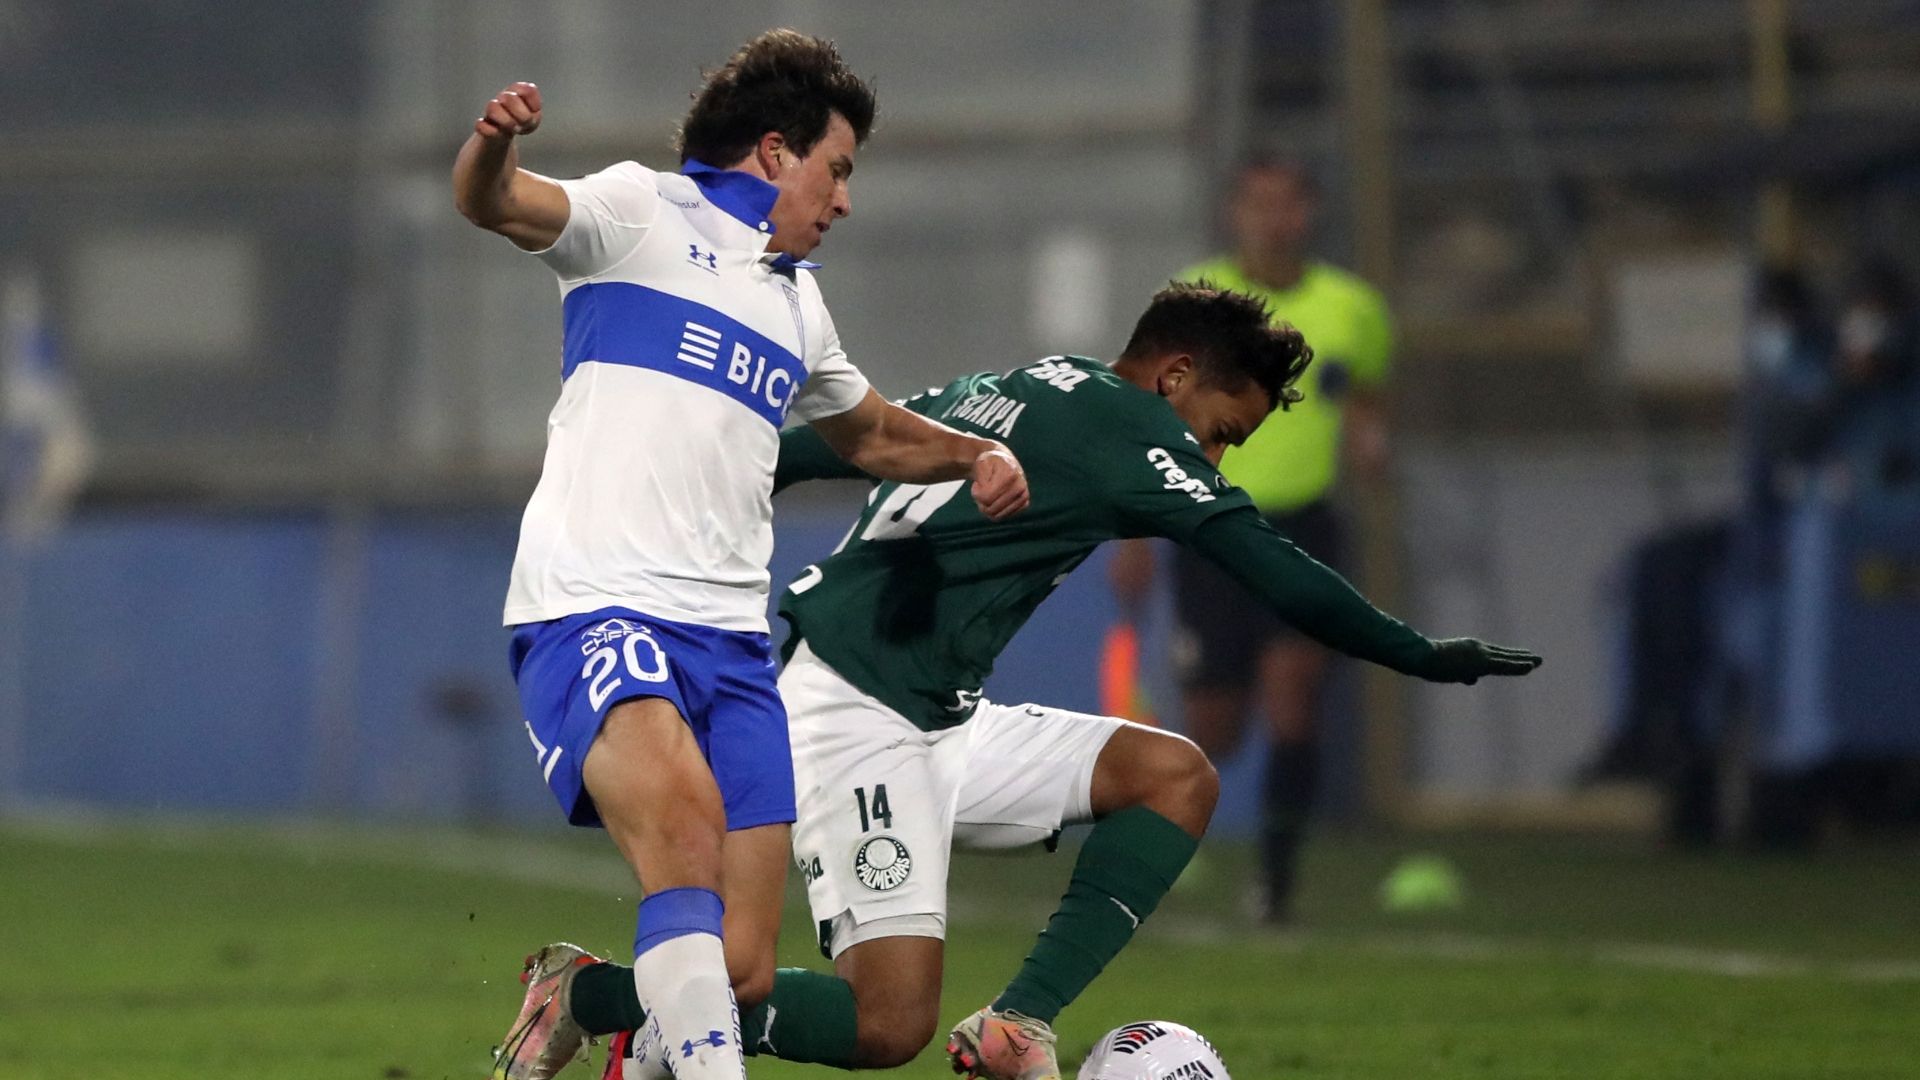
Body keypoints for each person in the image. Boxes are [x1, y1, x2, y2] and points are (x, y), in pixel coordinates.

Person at [536, 284, 1539, 1080]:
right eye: (1220, 429)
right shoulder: (1129, 432)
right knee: (887, 1026)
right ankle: (595, 997)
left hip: (940, 715)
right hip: (852, 713)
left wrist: (733, 479)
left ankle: (1016, 1025)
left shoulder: (1031, 383)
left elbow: (845, 440)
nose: (1215, 457)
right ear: (1175, 375)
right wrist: (1416, 653)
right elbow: (1270, 567)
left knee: (1173, 778)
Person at [452, 29, 1030, 1080]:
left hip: (729, 643)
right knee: (681, 836)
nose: (844, 201)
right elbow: (495, 203)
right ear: (774, 153)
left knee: (744, 969)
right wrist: (493, 144)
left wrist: (972, 454)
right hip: (597, 602)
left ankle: (576, 995)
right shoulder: (640, 215)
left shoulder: (797, 304)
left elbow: (870, 434)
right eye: (837, 169)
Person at [1109, 157, 1396, 923]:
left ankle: (1276, 883)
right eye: (1259, 204)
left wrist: (1371, 447)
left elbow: (1365, 400)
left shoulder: (1353, 308)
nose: (1275, 219)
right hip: (1209, 529)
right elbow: (1143, 423)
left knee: (1293, 698)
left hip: (1304, 527)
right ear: (1237, 212)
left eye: (1289, 204)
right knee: (1216, 730)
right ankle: (1130, 836)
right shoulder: (1194, 301)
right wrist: (1133, 536)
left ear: (1311, 213)